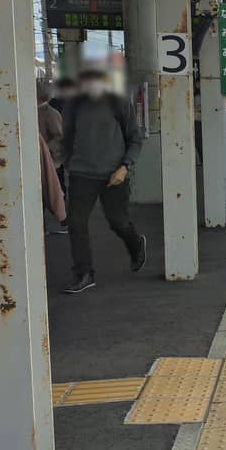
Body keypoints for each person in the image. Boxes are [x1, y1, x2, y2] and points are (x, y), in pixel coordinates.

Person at [61, 67, 147, 294]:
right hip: (81, 174)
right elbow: (66, 137)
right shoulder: (74, 105)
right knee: (76, 223)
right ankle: (84, 273)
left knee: (117, 221)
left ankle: (136, 243)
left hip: (114, 174)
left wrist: (125, 167)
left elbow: (135, 140)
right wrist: (69, 163)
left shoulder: (118, 103)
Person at [37, 80, 68, 234]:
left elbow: (59, 136)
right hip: (45, 160)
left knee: (51, 192)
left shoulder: (49, 112)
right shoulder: (43, 111)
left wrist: (45, 148)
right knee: (47, 194)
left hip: (51, 161)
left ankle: (63, 221)